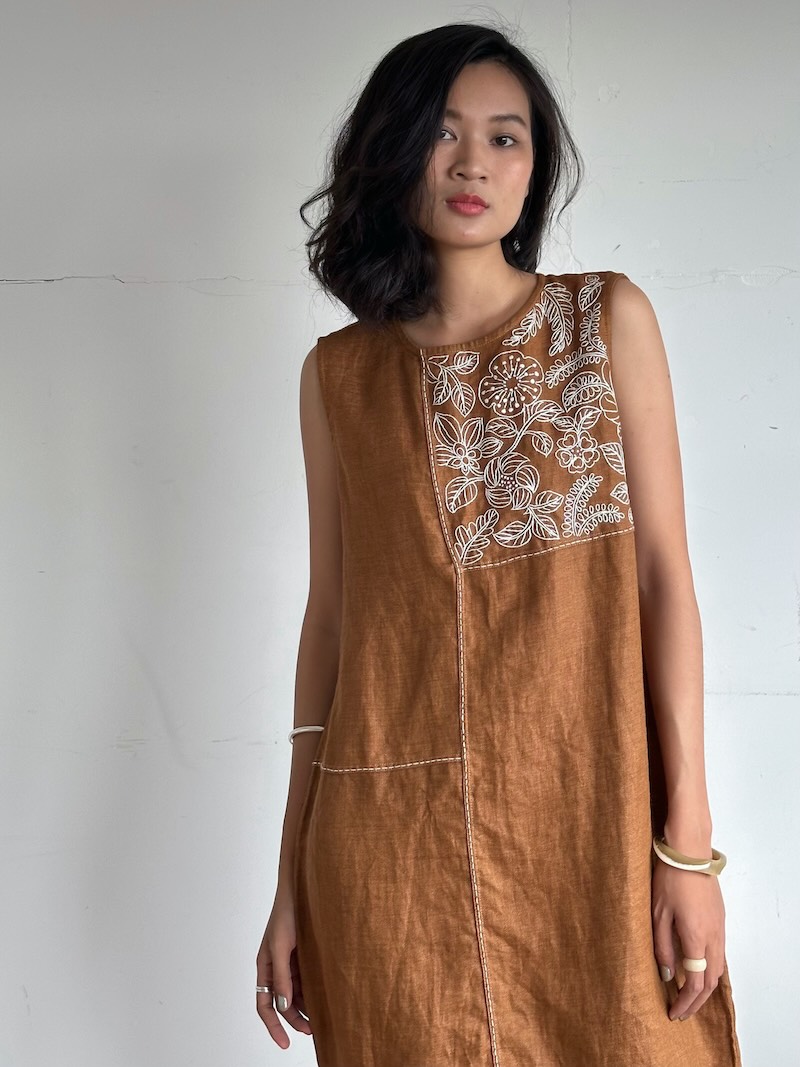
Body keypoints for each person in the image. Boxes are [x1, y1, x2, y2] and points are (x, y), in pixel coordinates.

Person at [256, 21, 743, 1066]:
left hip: (593, 823)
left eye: (504, 136)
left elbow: (662, 580)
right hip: (390, 852)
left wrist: (688, 850)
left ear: (534, 166)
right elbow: (331, 622)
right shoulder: (337, 377)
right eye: (442, 131)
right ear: (394, 150)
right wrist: (289, 876)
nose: (473, 161)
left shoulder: (604, 320)